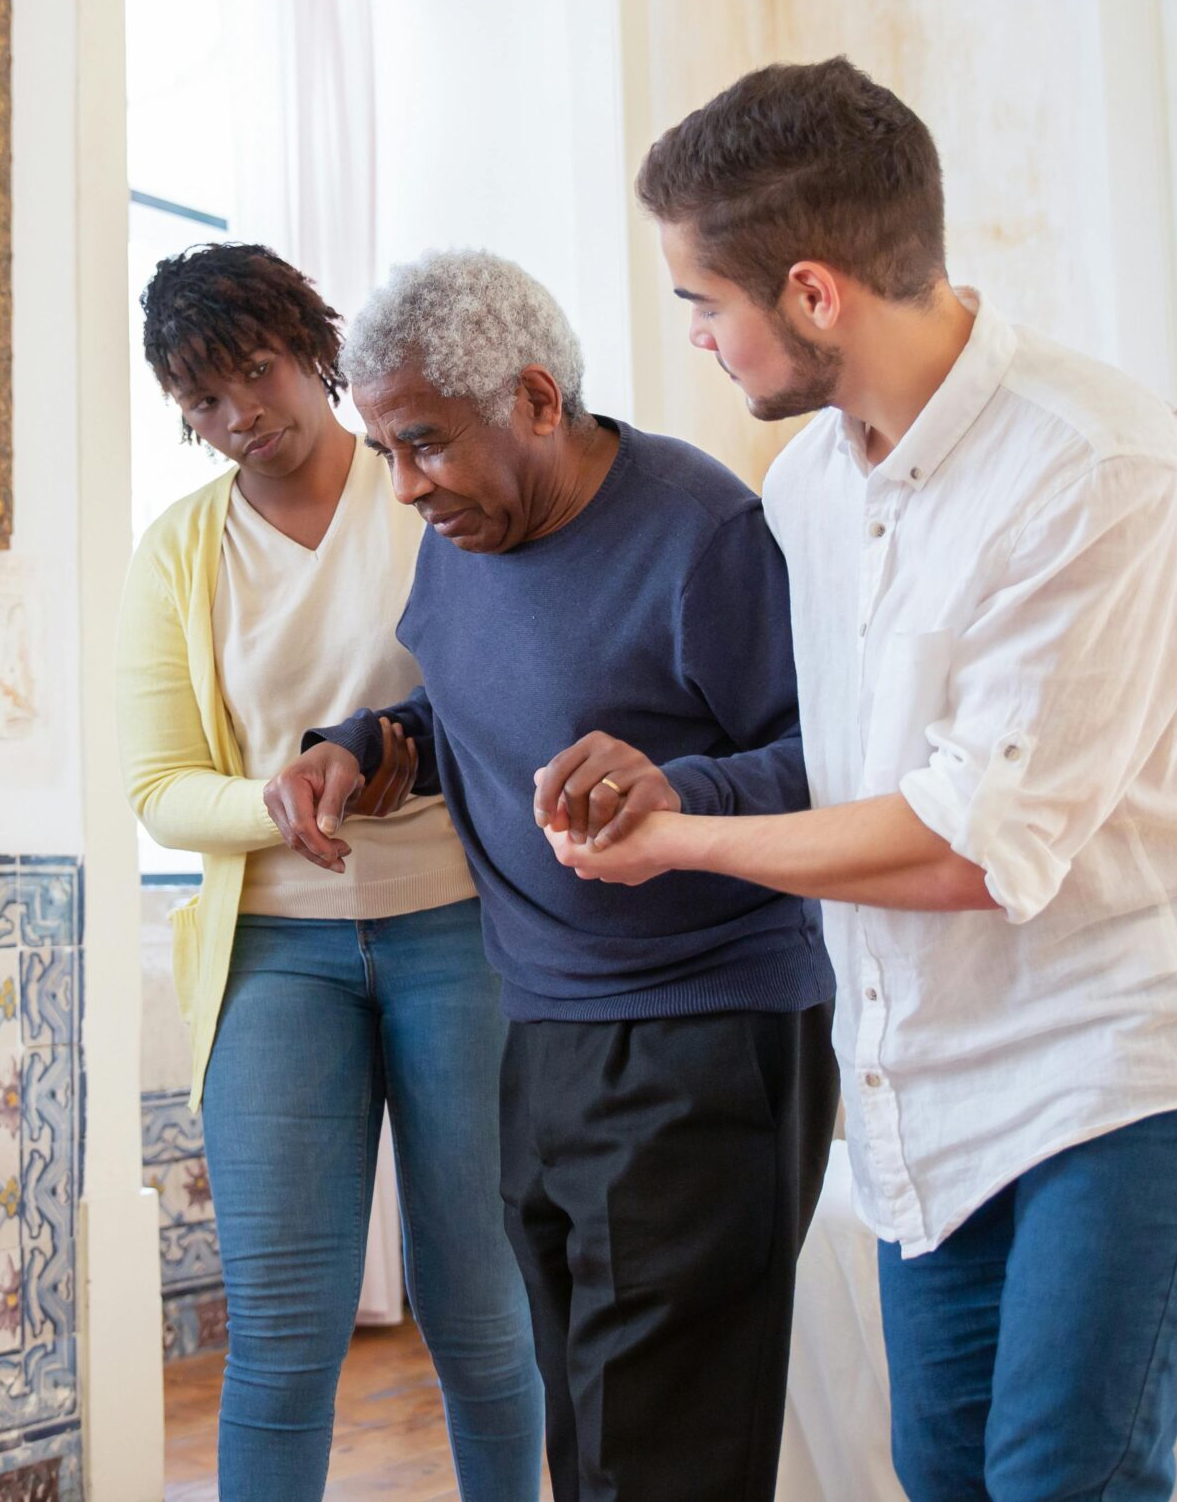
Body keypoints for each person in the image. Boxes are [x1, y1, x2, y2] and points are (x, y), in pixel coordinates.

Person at [557, 58, 1177, 1502]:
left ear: (813, 293)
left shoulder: (1099, 471)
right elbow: (863, 766)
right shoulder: (809, 489)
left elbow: (970, 844)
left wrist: (684, 847)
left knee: (1059, 1479)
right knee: (942, 1474)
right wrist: (684, 789)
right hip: (928, 1080)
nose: (698, 337)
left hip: (1131, 1060)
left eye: (704, 302)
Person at [263, 247, 838, 1502]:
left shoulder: (699, 534)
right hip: (539, 1029)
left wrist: (676, 788)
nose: (405, 486)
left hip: (702, 1033)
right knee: (584, 1438)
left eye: (425, 445)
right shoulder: (462, 534)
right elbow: (468, 705)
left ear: (533, 398)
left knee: (663, 1453)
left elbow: (831, 759)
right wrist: (362, 745)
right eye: (386, 452)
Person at [114, 243, 543, 1502]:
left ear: (315, 351)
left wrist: (405, 757)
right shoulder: (179, 551)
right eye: (202, 399)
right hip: (273, 958)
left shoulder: (424, 495)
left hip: (458, 932)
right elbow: (158, 786)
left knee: (484, 1318)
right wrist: (274, 800)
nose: (240, 414)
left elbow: (516, 701)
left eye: (256, 371)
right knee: (283, 1338)